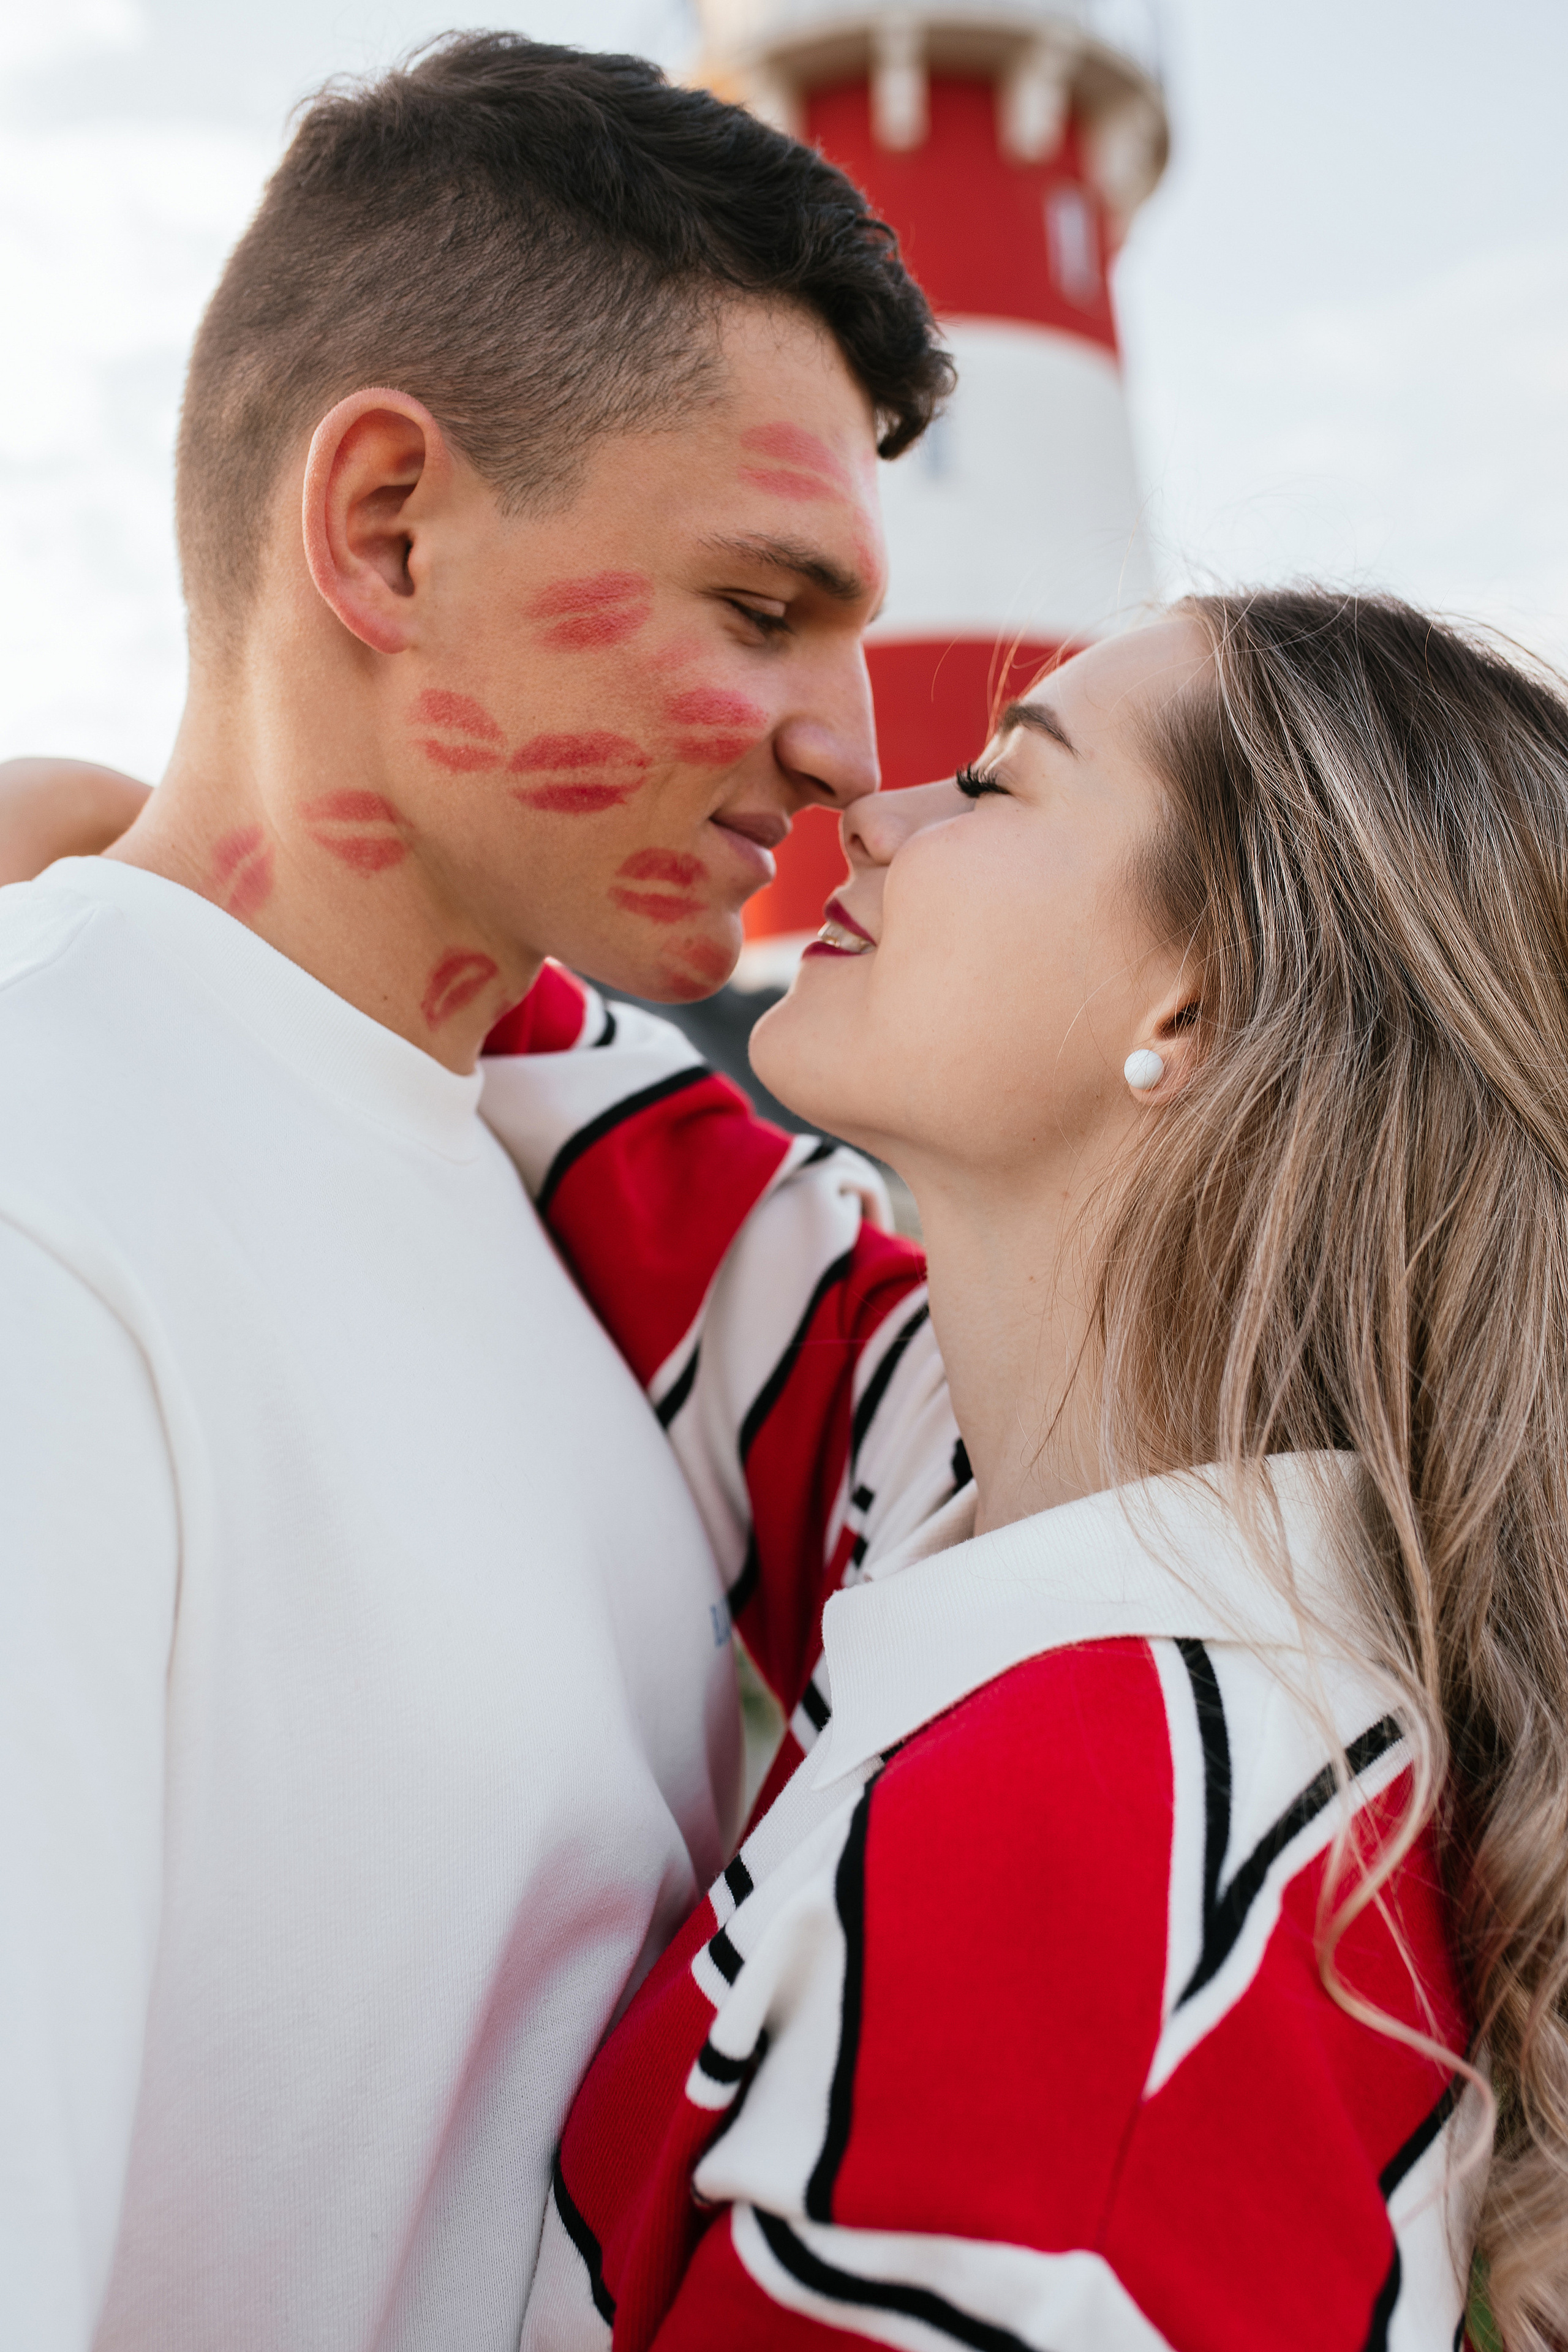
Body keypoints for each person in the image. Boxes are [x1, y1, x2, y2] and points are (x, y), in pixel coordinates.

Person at [0, 33, 951, 2352]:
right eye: (762, 606)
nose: (849, 749)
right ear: (389, 530)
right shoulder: (53, 1187)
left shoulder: (551, 1224)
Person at [488, 590, 1568, 2351]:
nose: (874, 810)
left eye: (998, 785)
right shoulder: (978, 1488)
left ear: (1195, 1001)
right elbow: (686, 1209)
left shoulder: (1096, 1915)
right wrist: (268, 877)